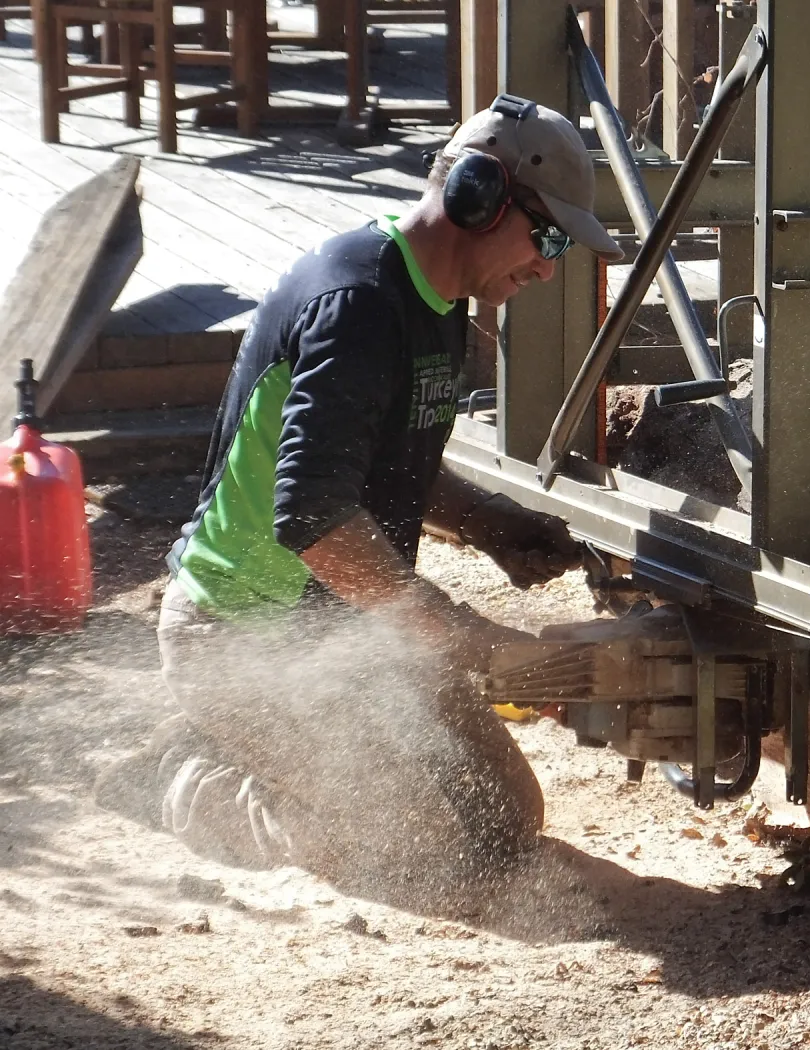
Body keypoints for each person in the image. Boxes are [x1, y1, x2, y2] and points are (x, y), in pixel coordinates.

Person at [96, 95, 625, 908]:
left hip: (350, 630)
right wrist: (454, 629)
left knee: (507, 818)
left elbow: (385, 466)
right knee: (417, 846)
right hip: (244, 639)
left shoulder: (441, 305)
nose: (549, 265)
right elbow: (311, 517)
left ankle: (250, 746)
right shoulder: (358, 308)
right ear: (477, 196)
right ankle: (182, 774)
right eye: (547, 235)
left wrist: (495, 527)